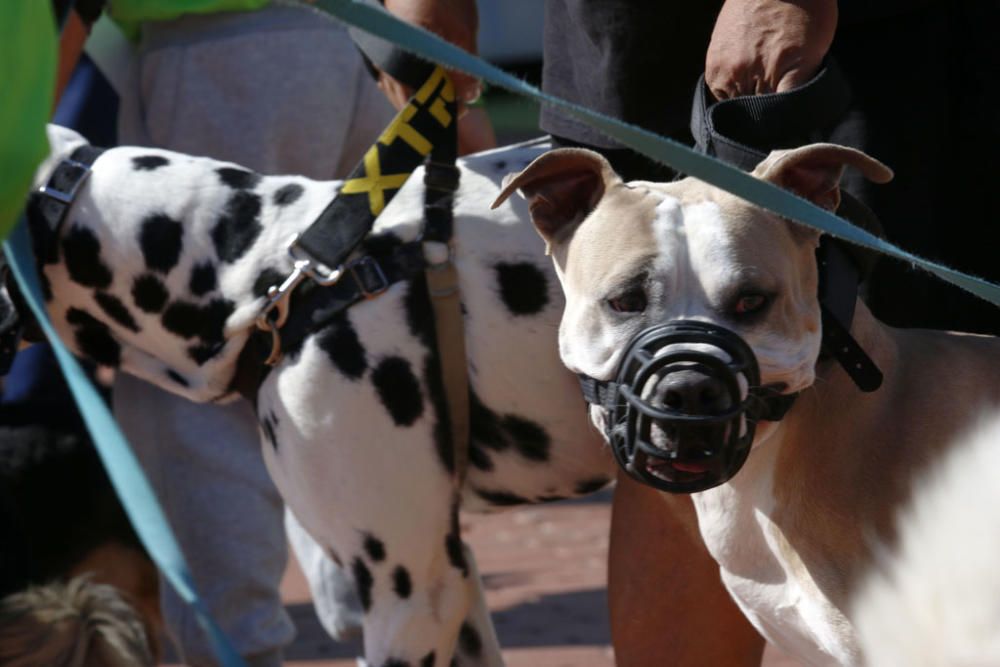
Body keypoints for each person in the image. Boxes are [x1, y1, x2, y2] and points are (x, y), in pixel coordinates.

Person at [537, 1, 1000, 664]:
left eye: (747, 302)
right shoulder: (590, 209)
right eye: (627, 301)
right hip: (621, 40)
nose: (691, 369)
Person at [104, 1, 493, 664]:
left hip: (218, 46)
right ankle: (420, 624)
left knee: (191, 377)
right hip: (362, 42)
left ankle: (237, 647)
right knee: (354, 359)